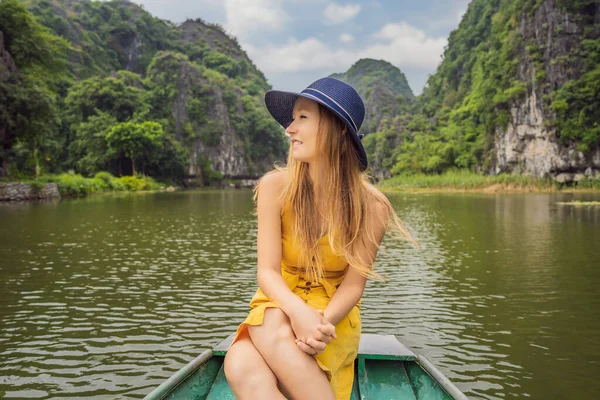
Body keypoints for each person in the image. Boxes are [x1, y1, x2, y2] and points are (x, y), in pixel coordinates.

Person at [223, 77, 416, 400]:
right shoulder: (275, 187)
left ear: (339, 128)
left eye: (303, 118)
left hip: (331, 321)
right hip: (277, 303)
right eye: (292, 119)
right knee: (249, 351)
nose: (289, 129)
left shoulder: (372, 207)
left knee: (242, 363)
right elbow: (267, 272)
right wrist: (297, 313)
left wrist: (318, 326)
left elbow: (354, 285)